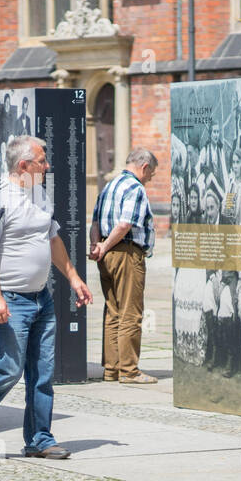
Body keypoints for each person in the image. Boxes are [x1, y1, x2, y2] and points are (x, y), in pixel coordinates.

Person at [0, 135, 92, 460]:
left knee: (42, 372)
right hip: (9, 300)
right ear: (23, 165)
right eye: (42, 161)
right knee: (10, 366)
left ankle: (40, 439)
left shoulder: (40, 193)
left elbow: (52, 238)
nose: (47, 166)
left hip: (41, 298)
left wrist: (74, 278)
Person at [89, 147, 158, 384]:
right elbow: (125, 224)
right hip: (126, 253)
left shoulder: (110, 185)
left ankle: (112, 368)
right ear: (144, 167)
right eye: (152, 173)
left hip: (106, 255)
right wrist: (107, 246)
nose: (150, 178)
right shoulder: (135, 188)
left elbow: (95, 221)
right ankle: (129, 371)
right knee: (131, 313)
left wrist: (96, 246)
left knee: (113, 312)